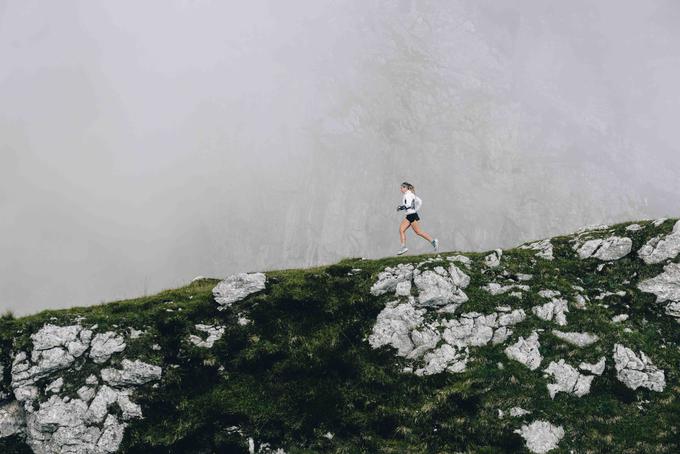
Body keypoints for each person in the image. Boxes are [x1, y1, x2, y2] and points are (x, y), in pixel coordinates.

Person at [396, 181, 438, 255]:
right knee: (401, 230)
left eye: (402, 188)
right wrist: (415, 209)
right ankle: (403, 247)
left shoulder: (407, 195)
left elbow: (408, 205)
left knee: (418, 232)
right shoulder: (410, 194)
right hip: (409, 215)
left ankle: (433, 241)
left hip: (412, 216)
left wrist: (401, 207)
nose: (401, 189)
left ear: (406, 188)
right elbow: (420, 201)